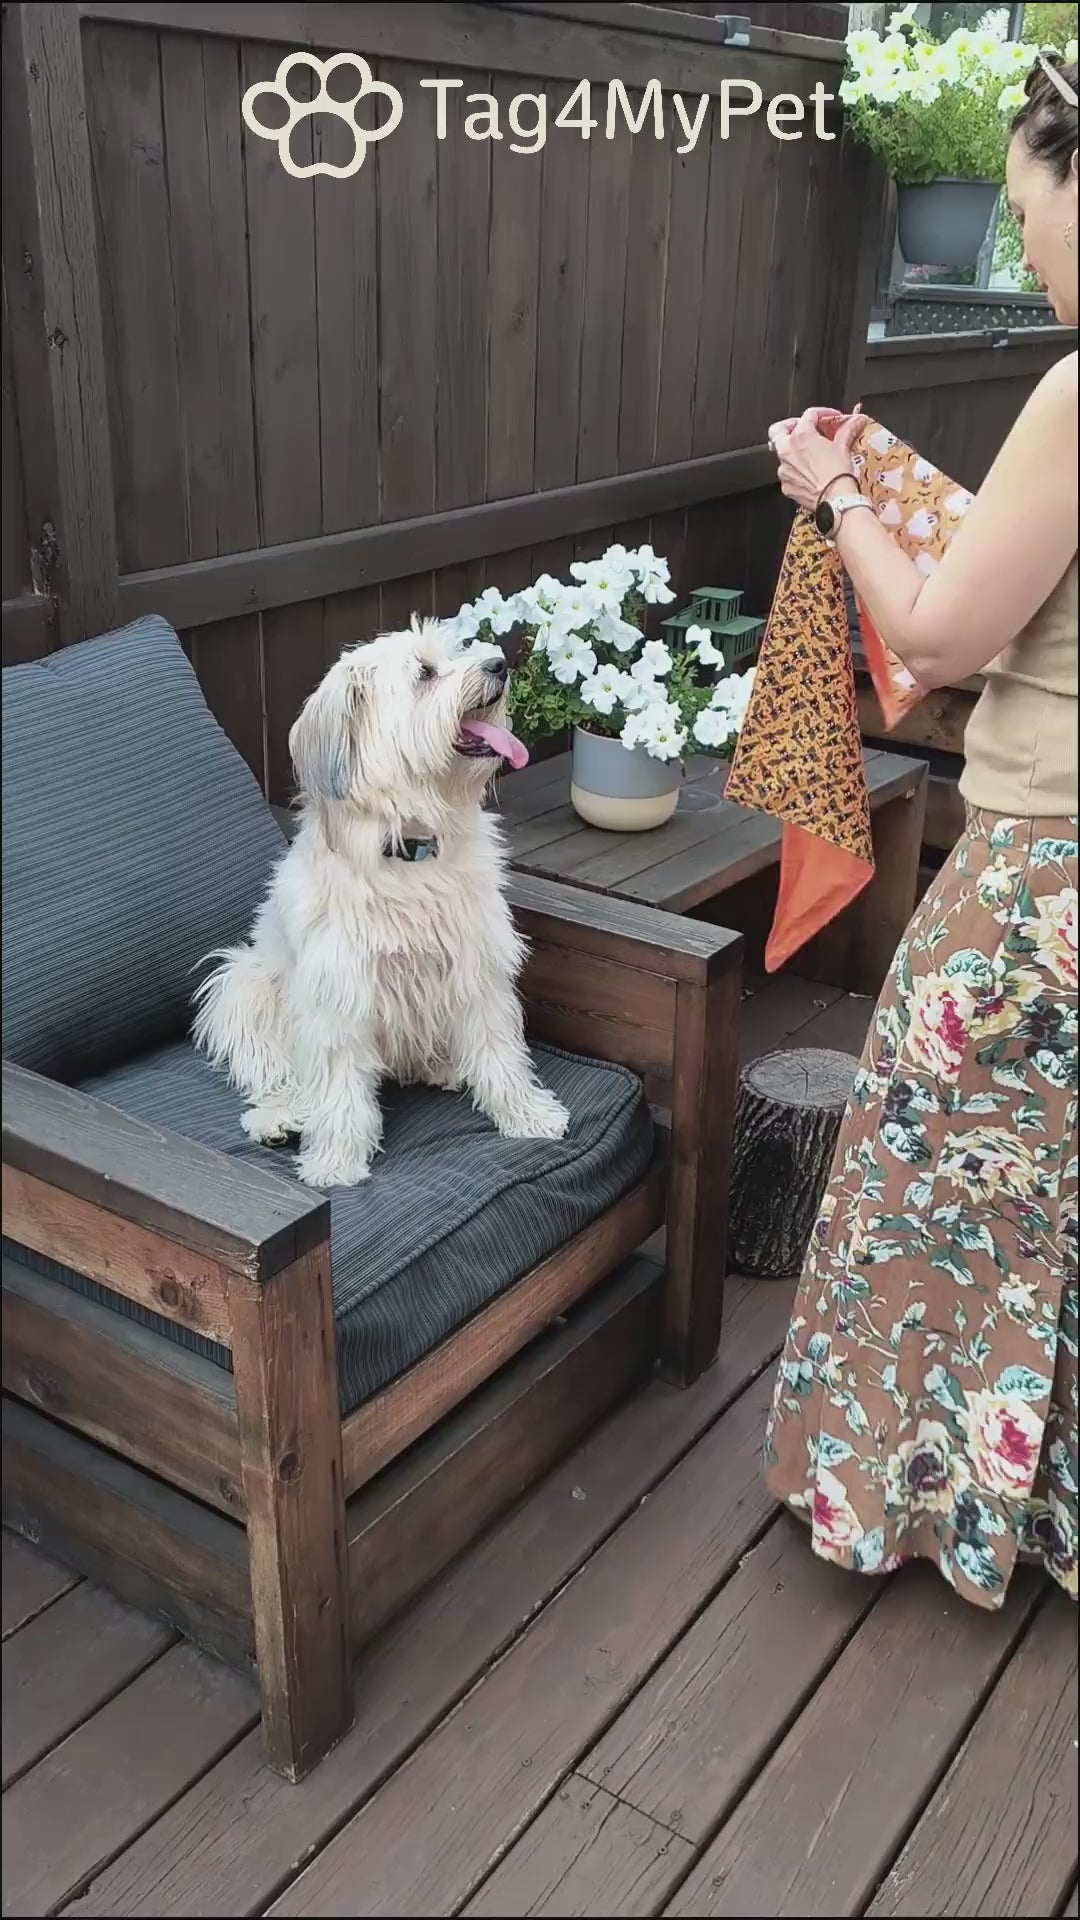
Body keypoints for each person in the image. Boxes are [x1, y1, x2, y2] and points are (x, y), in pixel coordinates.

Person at [761, 54, 1078, 1609]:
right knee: (1051, 1202)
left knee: (933, 1177)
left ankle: (910, 1494)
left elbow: (943, 637)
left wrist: (838, 493)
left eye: (1028, 209)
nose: (1022, 250)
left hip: (1043, 878)